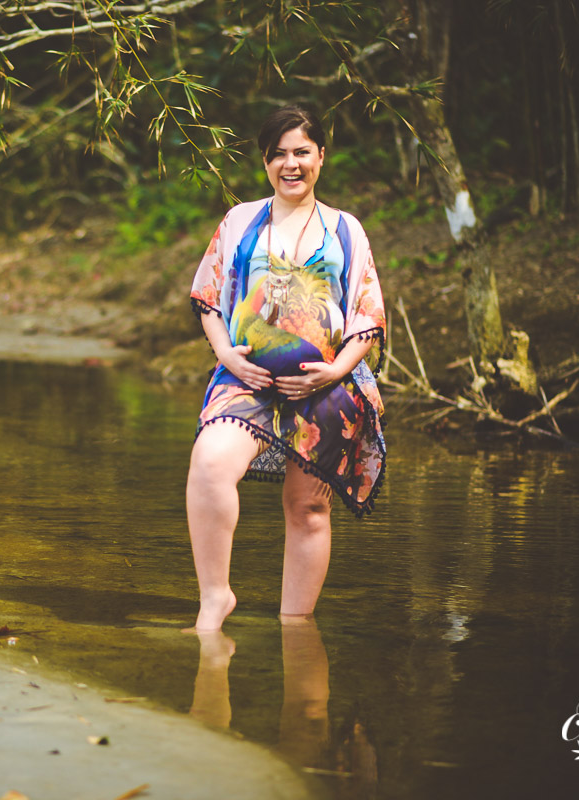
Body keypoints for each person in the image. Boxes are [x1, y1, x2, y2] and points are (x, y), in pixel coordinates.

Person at [187, 104, 387, 631]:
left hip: (326, 384)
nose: (291, 164)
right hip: (247, 378)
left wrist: (336, 370)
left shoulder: (347, 230)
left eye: (302, 152)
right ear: (265, 162)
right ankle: (215, 599)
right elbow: (207, 296)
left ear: (322, 156)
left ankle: (295, 634)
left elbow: (368, 315)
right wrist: (227, 355)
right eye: (279, 155)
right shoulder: (239, 221)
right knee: (209, 464)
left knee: (307, 510)